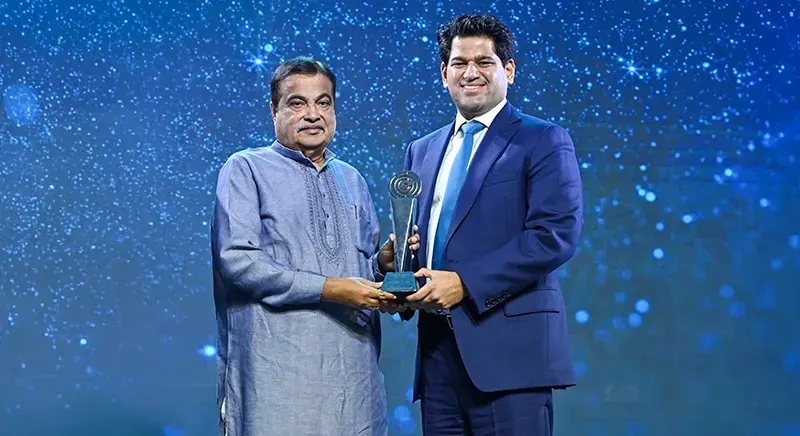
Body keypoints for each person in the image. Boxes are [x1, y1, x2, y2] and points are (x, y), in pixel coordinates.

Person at [210, 57, 418, 436]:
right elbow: (238, 263)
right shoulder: (245, 169)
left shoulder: (351, 179)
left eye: (323, 102)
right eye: (297, 103)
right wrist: (331, 289)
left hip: (355, 384)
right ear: (273, 111)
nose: (312, 114)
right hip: (276, 381)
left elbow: (357, 271)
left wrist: (384, 265)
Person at [398, 13, 584, 436]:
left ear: (509, 70)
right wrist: (396, 263)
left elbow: (554, 235)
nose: (471, 73)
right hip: (438, 359)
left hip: (512, 359)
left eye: (484, 62)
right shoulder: (421, 150)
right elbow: (426, 238)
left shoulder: (543, 139)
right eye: (459, 63)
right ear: (444, 73)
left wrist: (464, 283)